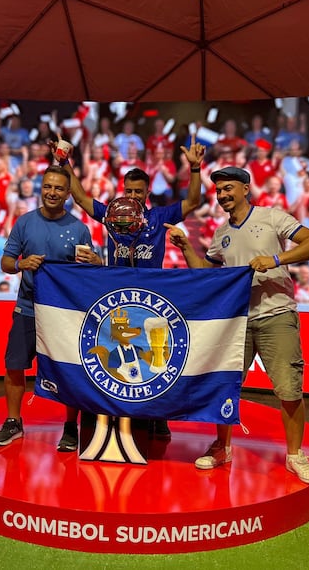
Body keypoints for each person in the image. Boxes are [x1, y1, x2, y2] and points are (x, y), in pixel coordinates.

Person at [165, 165, 309, 484]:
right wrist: (185, 247)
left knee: (289, 389)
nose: (223, 195)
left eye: (228, 189)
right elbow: (206, 274)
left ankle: (295, 455)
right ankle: (222, 447)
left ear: (245, 188)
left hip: (276, 314)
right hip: (236, 322)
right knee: (226, 386)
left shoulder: (272, 216)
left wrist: (276, 260)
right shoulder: (221, 235)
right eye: (219, 190)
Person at [63, 134, 206, 440]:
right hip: (116, 298)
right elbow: (81, 198)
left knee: (156, 359)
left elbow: (193, 201)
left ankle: (159, 416)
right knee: (119, 358)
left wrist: (195, 170)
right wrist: (65, 164)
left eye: (138, 191)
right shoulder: (113, 214)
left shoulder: (159, 216)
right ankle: (114, 411)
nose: (133, 196)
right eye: (128, 190)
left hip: (152, 299)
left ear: (148, 192)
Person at [0, 165, 103, 451]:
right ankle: (14, 421)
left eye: (58, 188)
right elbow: (6, 262)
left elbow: (89, 271)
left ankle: (70, 427)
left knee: (67, 370)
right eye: (48, 187)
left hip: (63, 313)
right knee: (14, 366)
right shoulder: (25, 222)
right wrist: (21, 263)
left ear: (68, 193)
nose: (52, 192)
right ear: (43, 188)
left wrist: (95, 263)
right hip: (27, 308)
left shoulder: (79, 229)